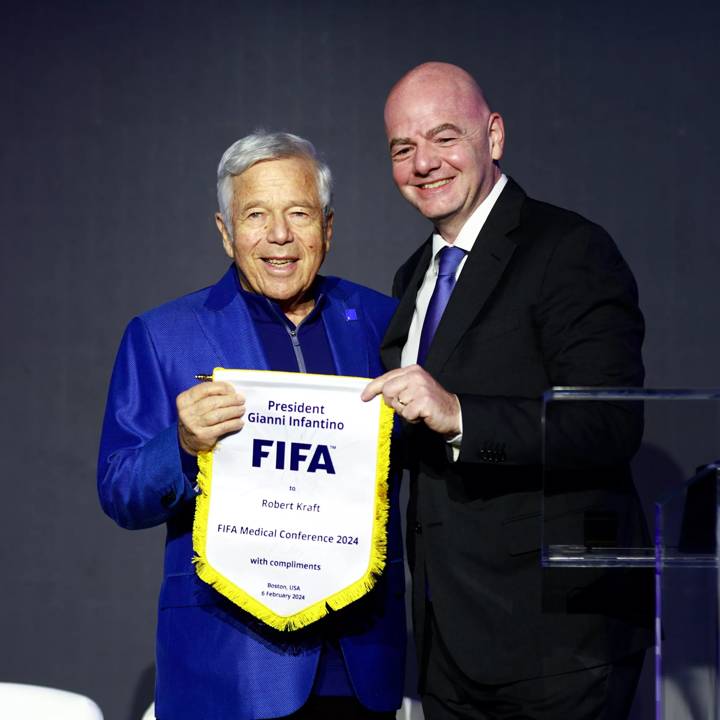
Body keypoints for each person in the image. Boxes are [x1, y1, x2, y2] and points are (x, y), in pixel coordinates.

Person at [362, 62, 652, 719]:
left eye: (444, 137)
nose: (424, 162)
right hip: (447, 647)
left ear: (493, 136)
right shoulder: (414, 276)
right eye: (403, 148)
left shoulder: (568, 249)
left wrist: (460, 415)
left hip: (556, 643)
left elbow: (609, 424)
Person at [98, 131, 405, 720]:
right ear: (224, 231)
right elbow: (119, 490)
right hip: (229, 673)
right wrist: (181, 445)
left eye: (299, 214)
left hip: (359, 664)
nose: (280, 236)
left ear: (329, 228)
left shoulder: (380, 322)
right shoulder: (163, 334)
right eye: (256, 215)